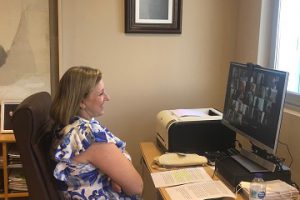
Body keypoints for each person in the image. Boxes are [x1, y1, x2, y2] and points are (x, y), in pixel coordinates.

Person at [50, 66, 143, 200]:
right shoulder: (88, 136)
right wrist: (119, 169)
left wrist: (115, 172)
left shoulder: (65, 126)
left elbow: (120, 152)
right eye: (101, 94)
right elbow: (136, 187)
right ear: (81, 102)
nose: (107, 98)